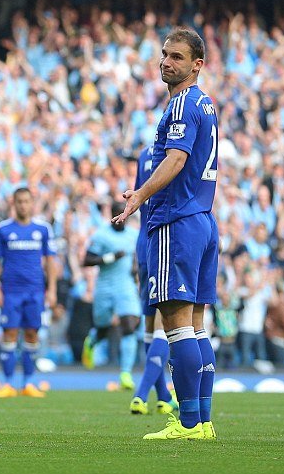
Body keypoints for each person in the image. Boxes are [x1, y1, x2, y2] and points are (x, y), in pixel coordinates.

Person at [114, 27, 219, 441]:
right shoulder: (205, 104)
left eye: (176, 56)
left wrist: (139, 194)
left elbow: (176, 158)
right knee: (196, 325)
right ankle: (204, 423)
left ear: (197, 65)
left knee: (174, 325)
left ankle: (189, 422)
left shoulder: (181, 105)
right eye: (163, 54)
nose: (165, 62)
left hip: (176, 221)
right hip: (204, 220)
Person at [0, 187, 58, 398]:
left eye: (27, 201)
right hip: (10, 290)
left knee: (32, 334)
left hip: (35, 291)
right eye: (19, 201)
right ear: (14, 203)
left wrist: (52, 289)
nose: (23, 205)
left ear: (32, 203)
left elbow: (50, 261)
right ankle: (8, 383)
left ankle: (29, 382)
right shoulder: (2, 230)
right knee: (9, 333)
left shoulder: (43, 229)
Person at [129, 144, 177, 415]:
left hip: (143, 242)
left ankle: (162, 396)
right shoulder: (177, 153)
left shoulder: (145, 154)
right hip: (165, 239)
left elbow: (138, 197)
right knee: (165, 322)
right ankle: (140, 394)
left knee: (150, 320)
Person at [80, 202, 141, 392]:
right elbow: (87, 260)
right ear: (111, 215)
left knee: (129, 325)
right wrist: (110, 258)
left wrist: (135, 270)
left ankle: (125, 373)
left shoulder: (133, 235)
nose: (119, 217)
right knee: (104, 329)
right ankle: (93, 340)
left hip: (125, 286)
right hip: (105, 287)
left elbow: (135, 258)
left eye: (123, 214)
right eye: (116, 214)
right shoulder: (101, 235)